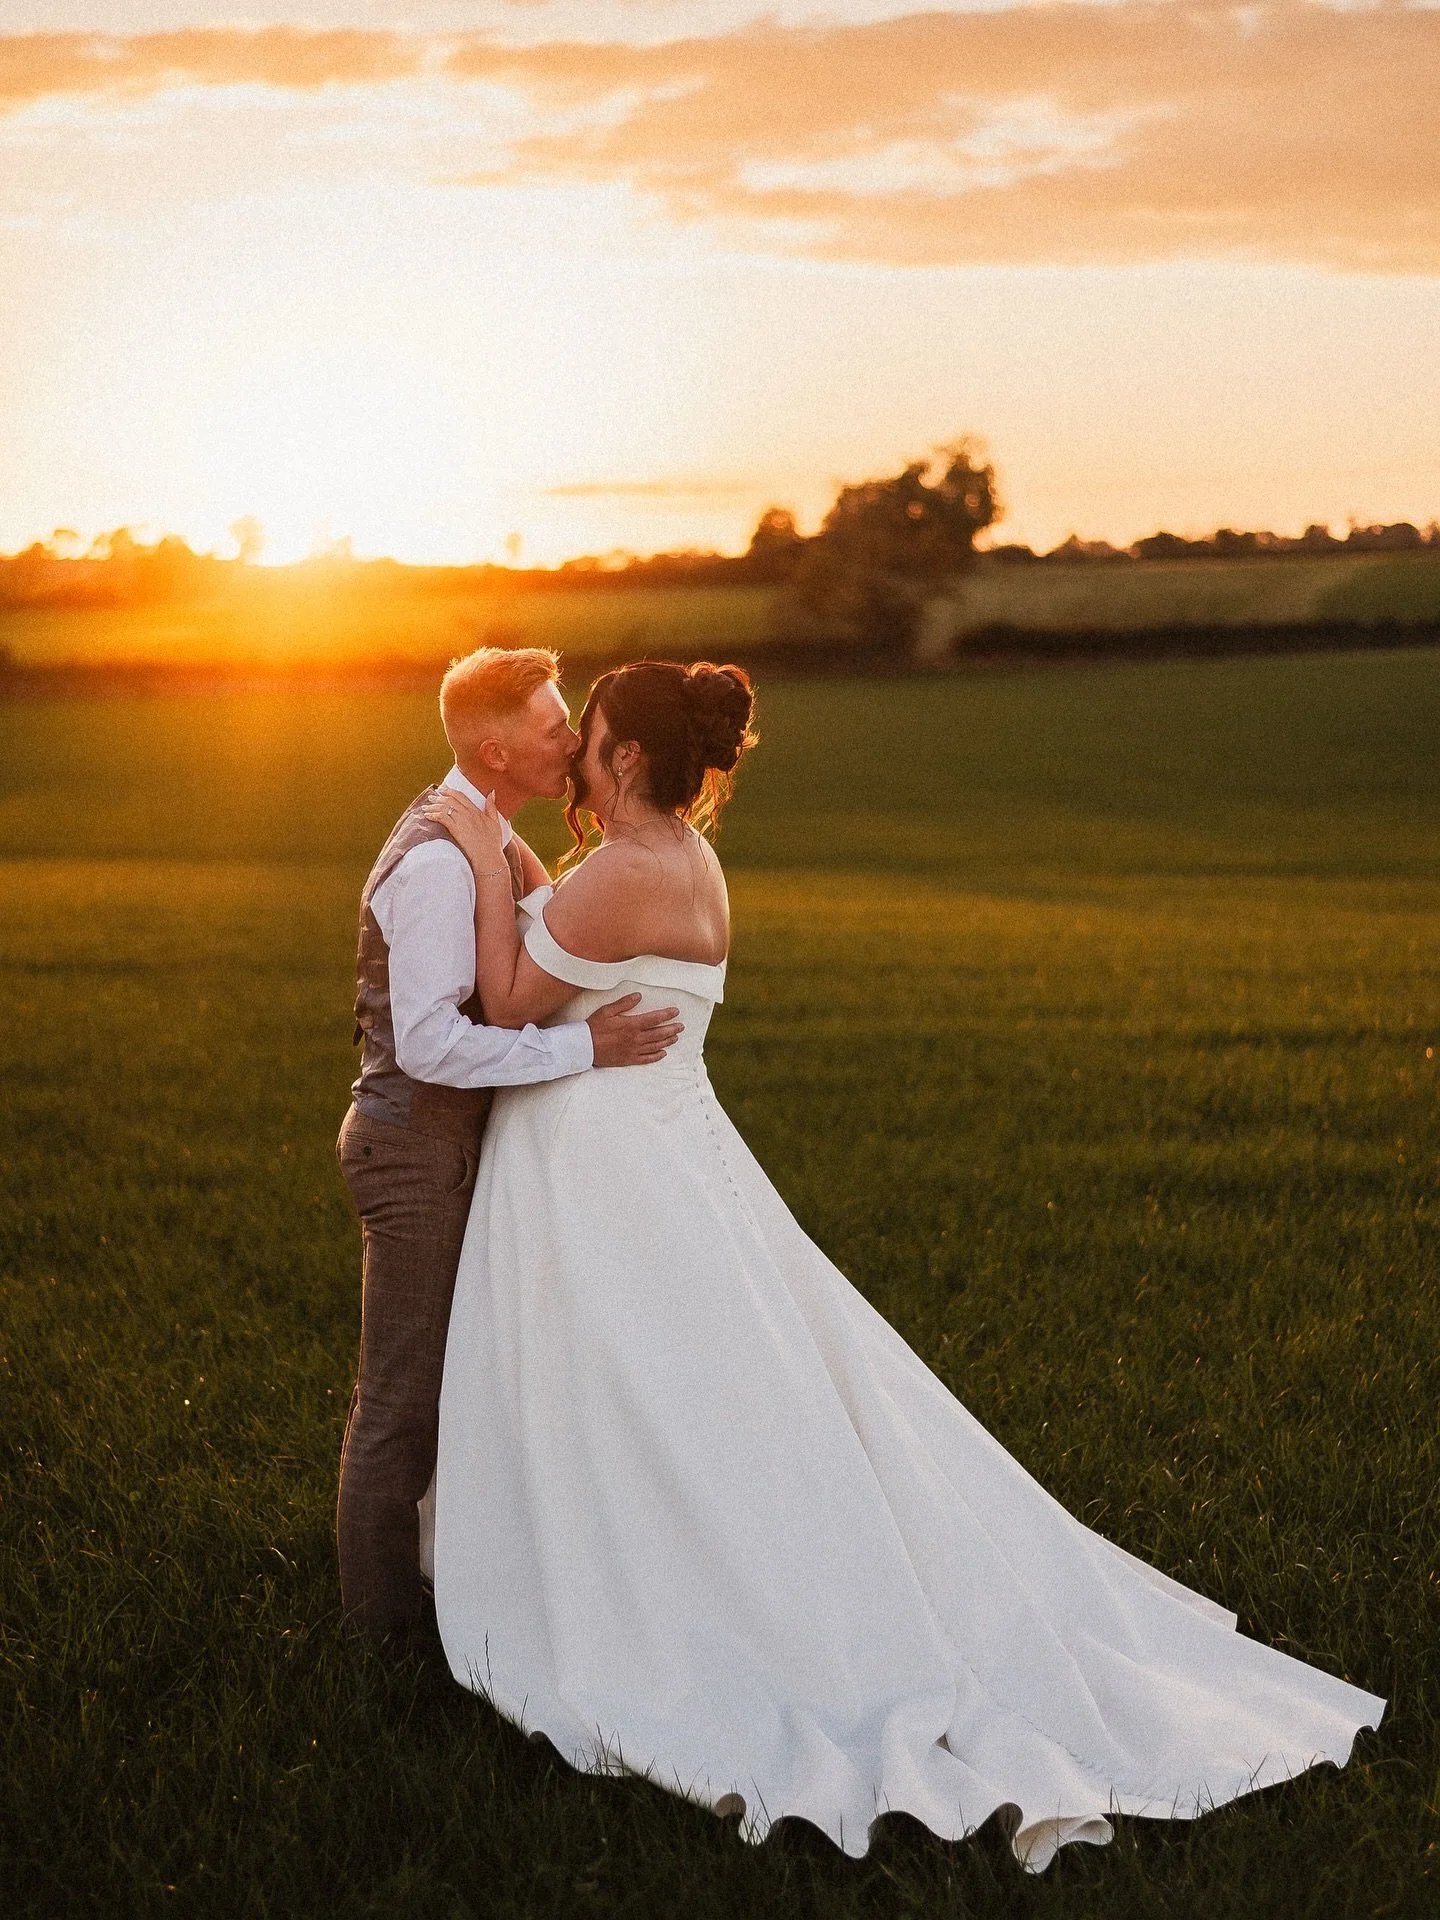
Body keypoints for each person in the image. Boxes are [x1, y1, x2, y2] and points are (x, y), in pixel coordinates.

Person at [426, 658, 1383, 1871]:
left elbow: (508, 998)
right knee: (686, 1392)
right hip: (663, 1148)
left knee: (640, 1391)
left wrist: (477, 846)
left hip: (611, 1162)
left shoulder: (621, 871)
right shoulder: (688, 860)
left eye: (589, 737)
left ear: (623, 759)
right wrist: (524, 871)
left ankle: (648, 1602)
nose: (570, 757)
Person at [336, 646, 682, 1645]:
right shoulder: (443, 863)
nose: (572, 741)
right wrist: (586, 1046)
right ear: (496, 748)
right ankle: (380, 1642)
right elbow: (438, 1044)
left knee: (454, 1392)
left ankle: (458, 1606)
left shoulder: (481, 836)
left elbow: (537, 921)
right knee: (401, 1407)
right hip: (416, 1153)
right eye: (551, 728)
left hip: (444, 1148)